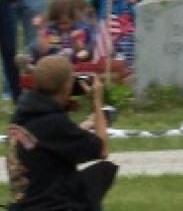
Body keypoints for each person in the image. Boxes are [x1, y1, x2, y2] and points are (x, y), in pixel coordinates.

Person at [6, 55, 116, 210]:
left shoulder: (22, 116)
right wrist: (96, 101)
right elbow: (102, 149)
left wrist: (86, 125)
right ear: (67, 87)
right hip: (53, 206)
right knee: (102, 172)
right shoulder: (54, 123)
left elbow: (48, 141)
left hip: (26, 204)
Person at [36, 0, 93, 64]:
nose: (62, 26)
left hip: (75, 63)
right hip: (55, 63)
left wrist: (76, 40)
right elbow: (43, 50)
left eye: (65, 23)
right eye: (58, 23)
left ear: (74, 19)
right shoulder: (51, 30)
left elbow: (82, 51)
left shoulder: (80, 30)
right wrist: (40, 30)